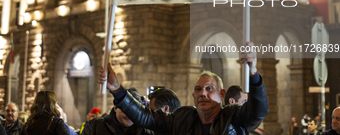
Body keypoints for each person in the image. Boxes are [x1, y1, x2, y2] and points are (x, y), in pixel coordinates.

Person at [98, 48, 269, 135]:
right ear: (193, 95)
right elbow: (146, 117)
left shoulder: (234, 118)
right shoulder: (182, 119)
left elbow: (258, 111)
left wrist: (253, 73)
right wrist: (117, 89)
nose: (203, 93)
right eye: (198, 89)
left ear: (222, 94)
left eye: (209, 89)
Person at [81, 87, 152, 135]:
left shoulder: (146, 131)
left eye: (134, 111)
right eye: (126, 110)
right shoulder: (95, 126)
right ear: (115, 108)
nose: (130, 115)